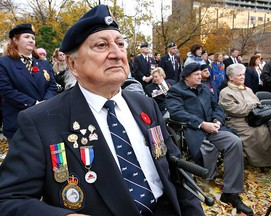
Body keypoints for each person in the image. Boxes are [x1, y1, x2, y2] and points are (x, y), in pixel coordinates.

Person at [0, 5, 205, 216]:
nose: (117, 54)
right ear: (73, 64)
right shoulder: (41, 121)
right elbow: (8, 200)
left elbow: (176, 174)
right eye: (101, 45)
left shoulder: (145, 106)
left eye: (120, 44)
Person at [166, 62, 254, 216]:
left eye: (201, 74)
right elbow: (176, 112)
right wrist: (201, 124)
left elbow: (217, 107)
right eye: (197, 75)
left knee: (235, 142)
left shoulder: (204, 88)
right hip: (193, 130)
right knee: (207, 150)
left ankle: (231, 192)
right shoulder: (176, 91)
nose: (201, 77)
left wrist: (217, 121)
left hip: (214, 127)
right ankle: (207, 173)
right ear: (187, 76)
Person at [0, 23, 57, 143]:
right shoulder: (4, 63)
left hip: (44, 121)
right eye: (26, 37)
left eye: (33, 38)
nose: (31, 40)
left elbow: (52, 85)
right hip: (19, 123)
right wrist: (34, 104)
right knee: (22, 161)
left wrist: (46, 102)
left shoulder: (43, 63)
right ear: (15, 40)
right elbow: (6, 90)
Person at [219, 64, 271, 168]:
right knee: (259, 132)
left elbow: (258, 104)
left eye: (243, 74)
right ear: (231, 77)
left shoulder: (248, 90)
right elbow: (235, 110)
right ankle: (262, 163)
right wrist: (251, 107)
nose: (243, 77)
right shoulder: (225, 92)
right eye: (239, 75)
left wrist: (251, 107)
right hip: (237, 121)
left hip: (255, 119)